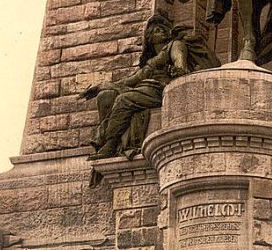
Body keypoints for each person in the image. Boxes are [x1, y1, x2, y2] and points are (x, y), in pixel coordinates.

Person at [82, 13, 220, 161]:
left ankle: (110, 144)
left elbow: (179, 60)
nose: (161, 31)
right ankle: (105, 140)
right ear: (150, 38)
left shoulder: (175, 45)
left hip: (162, 89)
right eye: (156, 30)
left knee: (124, 99)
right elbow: (131, 80)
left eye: (162, 29)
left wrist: (179, 69)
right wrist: (100, 87)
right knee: (107, 95)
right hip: (147, 90)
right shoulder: (152, 61)